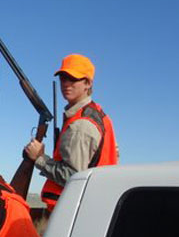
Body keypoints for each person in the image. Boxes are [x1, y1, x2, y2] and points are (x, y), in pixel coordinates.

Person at [24, 54, 118, 211]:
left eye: (73, 79)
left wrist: (39, 158)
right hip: (92, 205)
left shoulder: (80, 125)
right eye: (63, 78)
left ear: (87, 83)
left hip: (72, 209)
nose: (66, 84)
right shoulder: (100, 115)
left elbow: (73, 177)